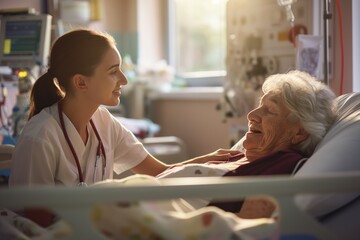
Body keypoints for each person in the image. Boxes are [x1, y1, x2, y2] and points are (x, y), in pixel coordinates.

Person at [8, 29, 239, 225]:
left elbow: (160, 172)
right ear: (81, 82)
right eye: (113, 72)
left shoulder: (104, 121)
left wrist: (206, 161)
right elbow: (37, 220)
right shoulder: (40, 137)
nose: (124, 80)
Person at [157, 70, 336, 219]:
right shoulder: (238, 156)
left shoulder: (282, 164)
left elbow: (247, 227)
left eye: (270, 111)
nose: (252, 115)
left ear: (298, 133)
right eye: (260, 106)